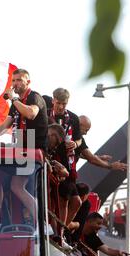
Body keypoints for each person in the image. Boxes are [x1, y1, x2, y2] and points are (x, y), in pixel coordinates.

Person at [0, 69, 48, 231]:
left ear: (28, 82)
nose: (15, 84)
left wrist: (14, 99)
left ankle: (42, 224)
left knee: (17, 186)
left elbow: (31, 114)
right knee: (1, 178)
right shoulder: (15, 104)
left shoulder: (34, 97)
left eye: (19, 80)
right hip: (20, 151)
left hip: (33, 151)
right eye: (13, 80)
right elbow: (4, 126)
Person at [47, 88, 82, 230]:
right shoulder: (45, 114)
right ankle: (57, 233)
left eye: (64, 104)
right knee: (57, 201)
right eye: (58, 103)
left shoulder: (73, 118)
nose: (61, 107)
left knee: (75, 202)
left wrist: (75, 143)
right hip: (52, 161)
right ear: (53, 100)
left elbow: (80, 140)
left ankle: (61, 232)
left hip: (68, 163)